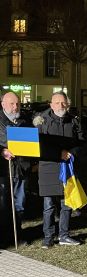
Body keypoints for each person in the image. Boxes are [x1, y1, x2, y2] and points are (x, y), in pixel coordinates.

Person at [35, 91, 84, 248]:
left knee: (66, 204)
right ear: (51, 104)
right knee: (48, 205)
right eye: (57, 103)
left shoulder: (74, 122)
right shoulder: (41, 122)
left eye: (63, 103)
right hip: (48, 167)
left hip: (67, 167)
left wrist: (72, 153)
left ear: (67, 104)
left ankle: (64, 235)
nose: (60, 106)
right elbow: (38, 146)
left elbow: (81, 142)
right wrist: (59, 153)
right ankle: (48, 237)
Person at [0, 92, 31, 246]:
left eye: (17, 103)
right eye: (12, 104)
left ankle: (16, 235)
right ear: (3, 104)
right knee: (4, 205)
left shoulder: (24, 121)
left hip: (21, 169)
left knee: (19, 204)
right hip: (3, 170)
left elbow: (32, 144)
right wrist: (2, 151)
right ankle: (3, 237)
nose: (16, 107)